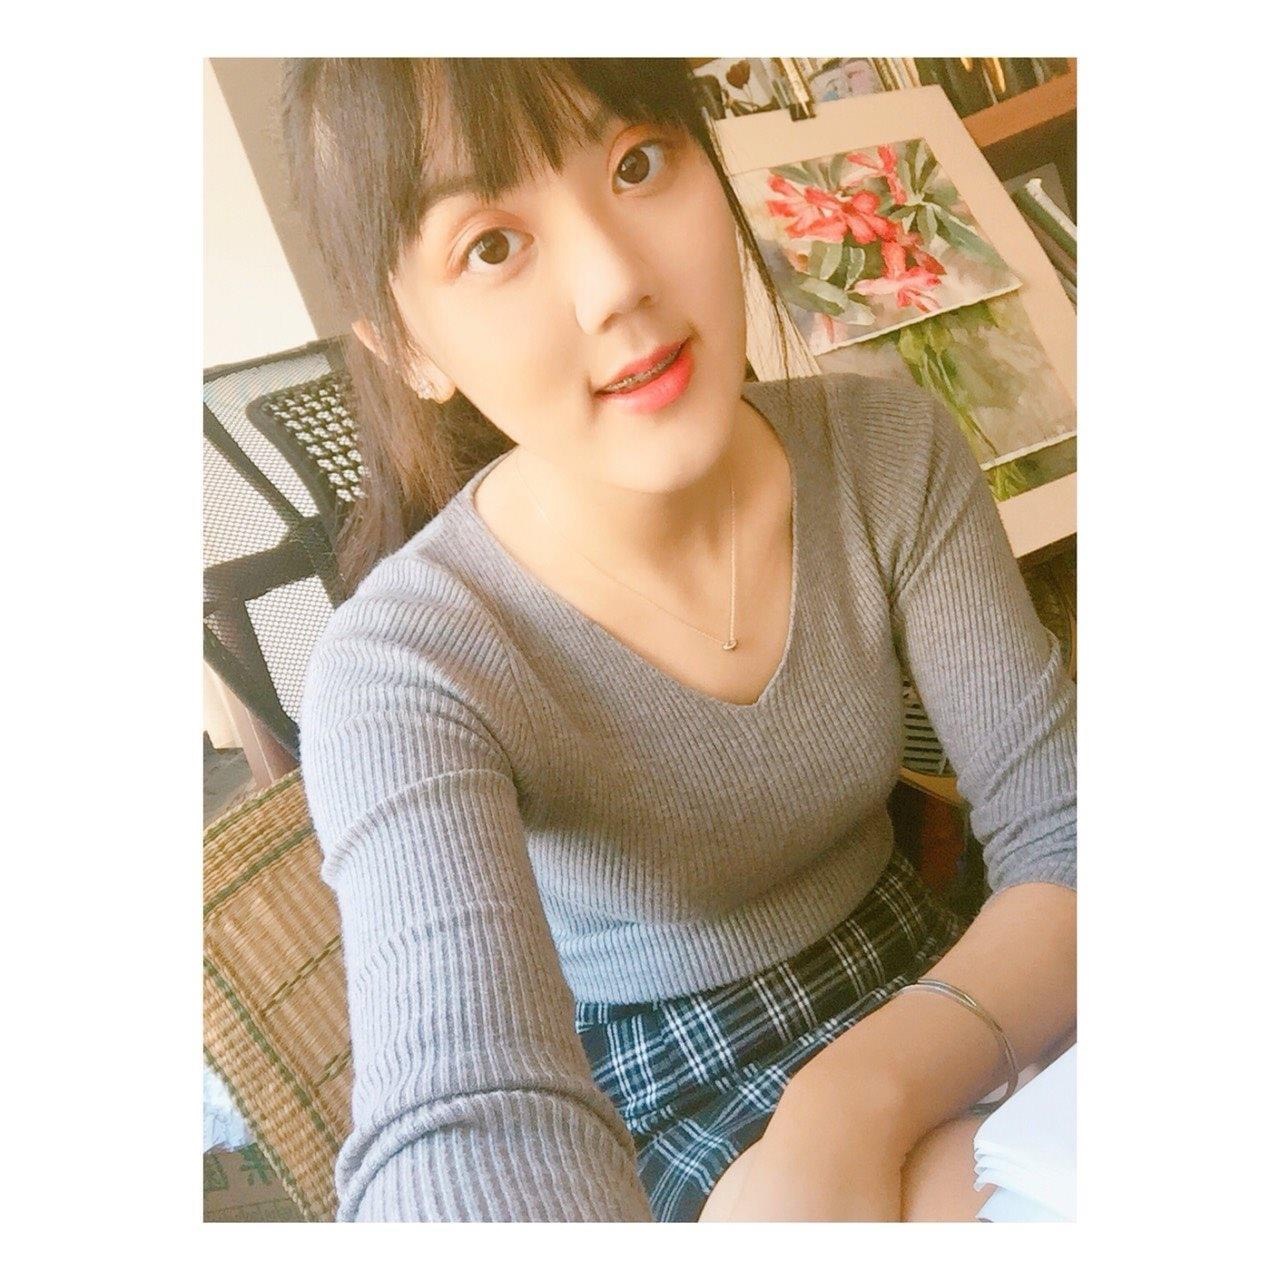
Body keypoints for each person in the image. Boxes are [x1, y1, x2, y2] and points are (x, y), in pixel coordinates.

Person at [287, 57, 1076, 1223]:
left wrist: (847, 1101)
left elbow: (1069, 835)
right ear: (408, 345)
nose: (617, 281)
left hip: (940, 969)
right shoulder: (402, 667)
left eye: (638, 163)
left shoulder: (890, 454)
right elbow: (458, 1115)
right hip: (659, 1077)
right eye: (492, 245)